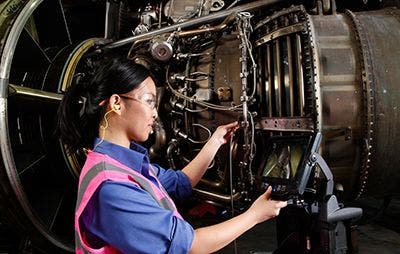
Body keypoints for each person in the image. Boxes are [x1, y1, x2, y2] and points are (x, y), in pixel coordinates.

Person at [56, 56, 287, 254]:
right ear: (116, 103)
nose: (155, 113)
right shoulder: (110, 188)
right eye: (148, 102)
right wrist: (254, 216)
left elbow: (180, 183)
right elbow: (190, 246)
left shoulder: (122, 162)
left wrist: (216, 141)